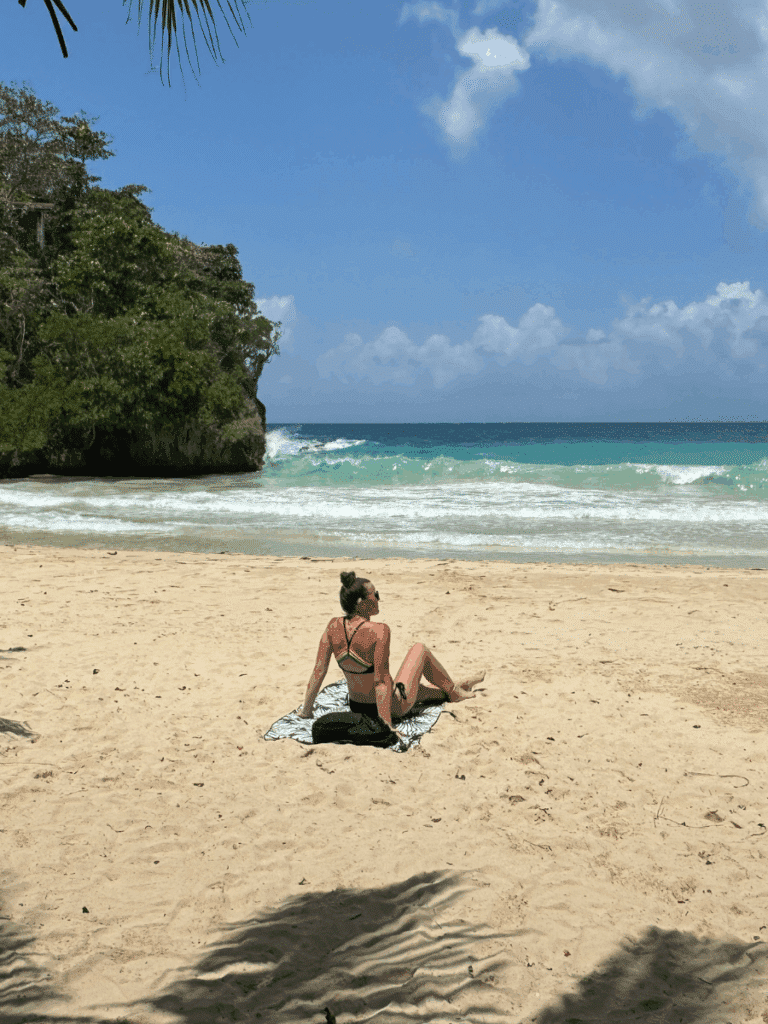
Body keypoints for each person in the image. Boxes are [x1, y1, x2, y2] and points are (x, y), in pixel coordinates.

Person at [299, 571, 484, 738]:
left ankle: (456, 687)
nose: (379, 599)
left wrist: (306, 710)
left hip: (357, 705)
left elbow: (319, 670)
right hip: (392, 706)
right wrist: (385, 724)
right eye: (375, 595)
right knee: (420, 649)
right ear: (361, 603)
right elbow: (380, 682)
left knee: (427, 692)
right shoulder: (379, 631)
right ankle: (454, 692)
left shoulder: (332, 626)